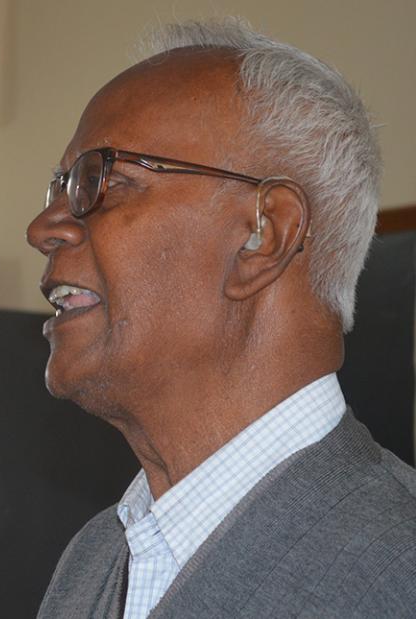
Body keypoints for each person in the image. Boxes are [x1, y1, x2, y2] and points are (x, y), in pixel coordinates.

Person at [27, 17, 416, 619]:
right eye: (57, 187)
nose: (44, 227)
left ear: (263, 235)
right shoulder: (94, 559)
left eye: (99, 180)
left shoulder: (394, 573)